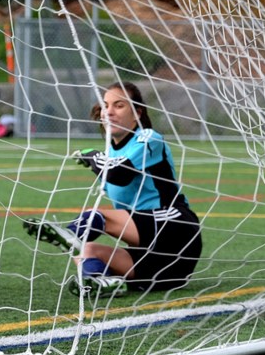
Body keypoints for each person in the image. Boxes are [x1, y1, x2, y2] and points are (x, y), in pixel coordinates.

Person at [23, 82, 202, 298]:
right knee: (87, 250)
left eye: (119, 105)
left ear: (137, 113)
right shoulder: (110, 154)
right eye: (105, 106)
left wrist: (92, 156)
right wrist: (99, 159)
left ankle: (70, 233)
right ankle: (99, 281)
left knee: (97, 217)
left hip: (178, 232)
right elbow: (112, 170)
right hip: (158, 267)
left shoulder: (148, 138)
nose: (109, 111)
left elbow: (119, 174)